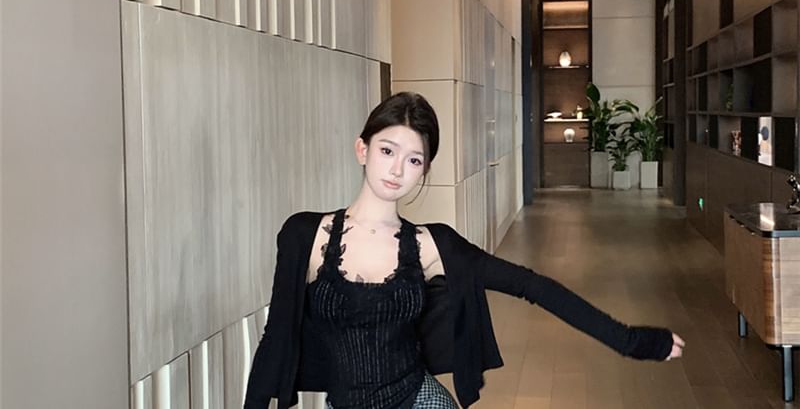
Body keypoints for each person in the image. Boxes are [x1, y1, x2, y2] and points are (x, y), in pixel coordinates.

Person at [243, 92, 685, 409]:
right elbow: (275, 338)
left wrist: (632, 341)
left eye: (414, 159)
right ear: (363, 149)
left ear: (424, 170)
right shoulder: (305, 235)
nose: (397, 169)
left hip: (419, 401)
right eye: (387, 150)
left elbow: (532, 286)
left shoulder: (432, 246)